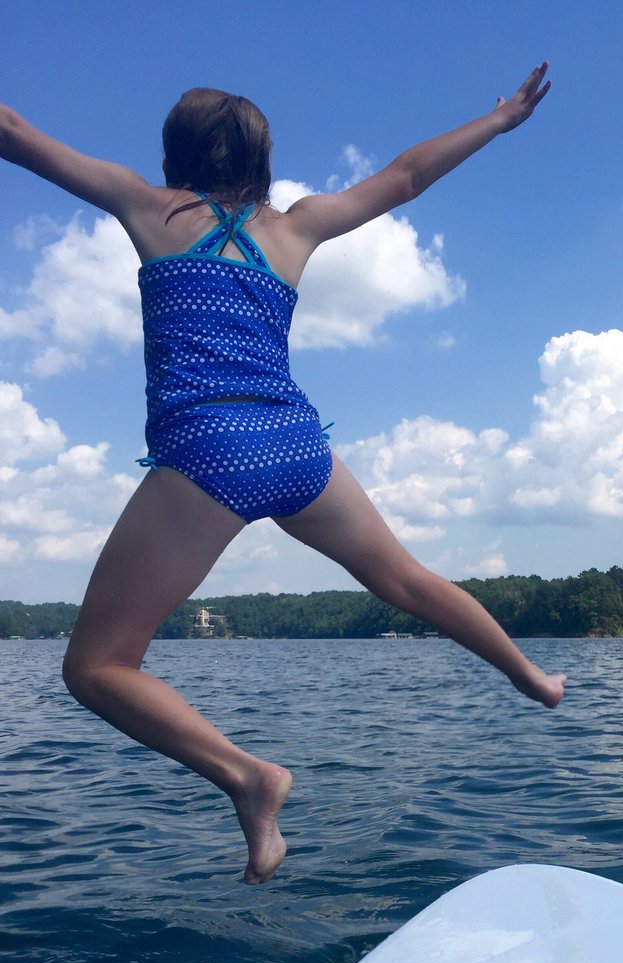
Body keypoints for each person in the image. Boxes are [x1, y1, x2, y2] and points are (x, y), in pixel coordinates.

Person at [0, 64, 565, 884]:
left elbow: (13, 134)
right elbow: (405, 177)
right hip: (296, 441)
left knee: (96, 666)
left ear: (176, 153)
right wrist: (500, 119)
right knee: (406, 578)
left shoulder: (148, 206)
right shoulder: (294, 228)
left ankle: (247, 777)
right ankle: (534, 678)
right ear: (261, 161)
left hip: (208, 449)